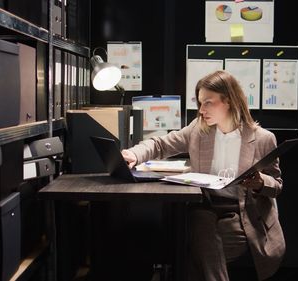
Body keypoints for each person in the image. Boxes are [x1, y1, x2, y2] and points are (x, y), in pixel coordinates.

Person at [121, 70, 285, 281]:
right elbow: (160, 144)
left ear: (228, 101)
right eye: (200, 103)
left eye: (208, 102)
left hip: (242, 214)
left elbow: (277, 185)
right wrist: (134, 154)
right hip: (205, 206)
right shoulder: (199, 131)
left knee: (193, 251)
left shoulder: (263, 139)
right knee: (200, 225)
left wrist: (261, 182)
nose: (201, 110)